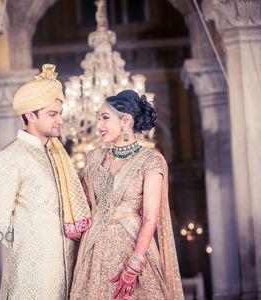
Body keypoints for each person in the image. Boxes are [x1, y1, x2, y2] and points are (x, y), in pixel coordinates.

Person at [0, 64, 91, 300]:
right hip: (31, 272)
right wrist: (30, 247)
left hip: (67, 267)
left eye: (60, 113)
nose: (59, 120)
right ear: (31, 116)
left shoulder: (57, 155)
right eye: (52, 114)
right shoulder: (9, 157)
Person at [70, 90, 184, 300]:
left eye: (105, 118)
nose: (99, 126)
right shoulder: (95, 158)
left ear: (126, 120)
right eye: (98, 119)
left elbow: (150, 218)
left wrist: (134, 266)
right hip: (94, 251)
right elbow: (83, 204)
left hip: (133, 248)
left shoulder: (150, 161)